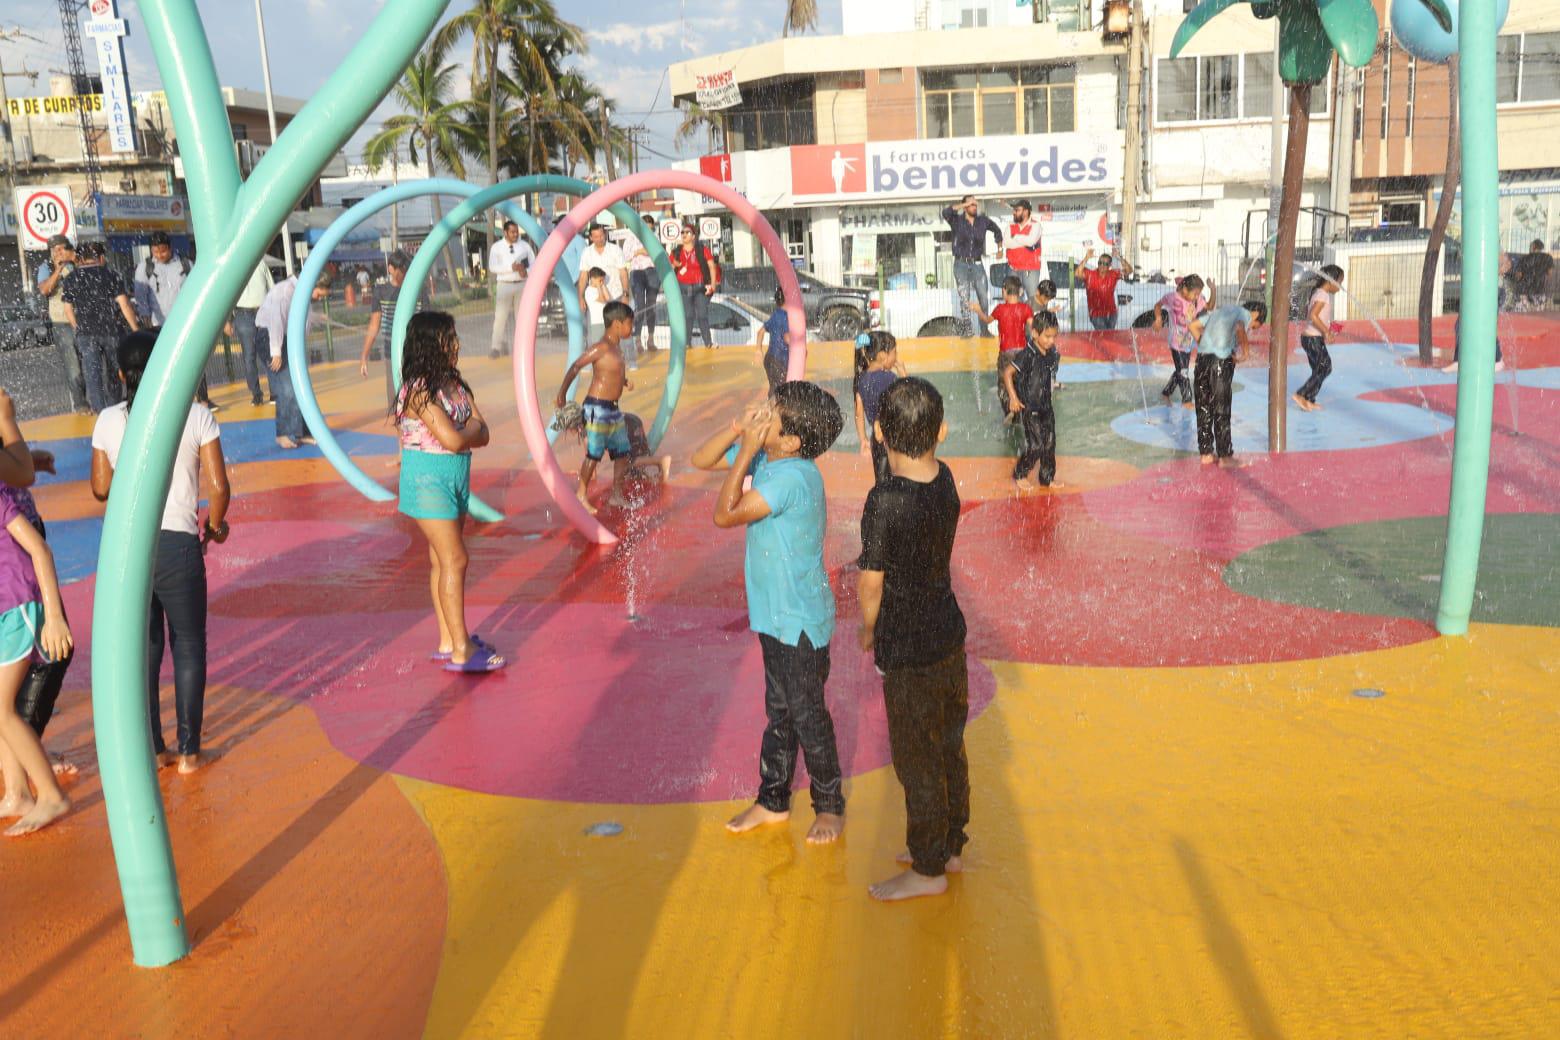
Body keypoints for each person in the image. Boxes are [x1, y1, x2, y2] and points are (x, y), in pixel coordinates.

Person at [691, 381, 846, 845]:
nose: (762, 414)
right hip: (774, 615)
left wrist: (746, 453)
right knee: (779, 711)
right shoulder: (771, 458)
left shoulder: (795, 477)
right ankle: (773, 799)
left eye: (770, 413)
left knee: (807, 714)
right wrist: (739, 429)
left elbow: (725, 514)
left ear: (792, 440)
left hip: (799, 619)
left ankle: (830, 804)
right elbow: (701, 459)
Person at [91, 331, 230, 775]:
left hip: (130, 550)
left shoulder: (109, 420)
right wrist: (214, 525)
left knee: (146, 648)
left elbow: (99, 488)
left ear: (119, 374)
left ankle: (154, 748)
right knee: (188, 645)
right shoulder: (194, 416)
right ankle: (190, 751)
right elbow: (219, 487)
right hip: (177, 544)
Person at [856, 377, 968, 901]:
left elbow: (872, 580)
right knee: (948, 743)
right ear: (941, 432)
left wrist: (866, 628)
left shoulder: (884, 500)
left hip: (906, 646)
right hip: (948, 634)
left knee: (916, 757)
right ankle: (949, 842)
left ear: (879, 432)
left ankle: (927, 870)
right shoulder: (945, 479)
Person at [395, 312, 504, 674]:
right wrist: (469, 430)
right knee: (456, 560)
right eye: (449, 339)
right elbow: (455, 438)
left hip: (455, 478)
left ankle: (448, 639)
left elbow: (484, 433)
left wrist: (469, 431)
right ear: (430, 344)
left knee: (443, 561)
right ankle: (461, 649)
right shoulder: (418, 391)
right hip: (428, 481)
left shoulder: (453, 385)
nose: (456, 344)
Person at [0, 450, 74, 835]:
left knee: (2, 711)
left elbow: (39, 550)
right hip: (3, 611)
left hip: (19, 607)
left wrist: (55, 616)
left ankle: (50, 794)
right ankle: (17, 795)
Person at [554, 300, 635, 514]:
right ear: (617, 324)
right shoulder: (601, 347)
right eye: (629, 323)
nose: (632, 328)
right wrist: (562, 393)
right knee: (594, 454)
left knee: (622, 453)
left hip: (613, 409)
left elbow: (612, 373)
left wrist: (624, 382)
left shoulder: (616, 348)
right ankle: (581, 494)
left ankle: (616, 494)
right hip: (596, 408)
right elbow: (576, 366)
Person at [133, 230, 214, 412]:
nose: (159, 255)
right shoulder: (144, 268)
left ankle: (202, 398)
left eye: (163, 251)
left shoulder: (185, 265)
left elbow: (197, 290)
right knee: (161, 364)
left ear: (170, 248)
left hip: (184, 323)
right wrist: (146, 324)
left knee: (192, 360)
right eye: (155, 251)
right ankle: (166, 401)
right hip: (157, 325)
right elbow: (141, 298)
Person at [256, 264, 334, 448]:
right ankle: (283, 433)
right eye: (319, 294)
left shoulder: (301, 293)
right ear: (313, 284)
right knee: (286, 387)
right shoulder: (284, 291)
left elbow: (301, 316)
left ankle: (300, 432)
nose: (318, 298)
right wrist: (275, 352)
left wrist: (318, 318)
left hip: (285, 339)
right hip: (270, 337)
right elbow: (276, 321)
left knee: (298, 386)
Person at [61, 241, 137, 412]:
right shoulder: (111, 274)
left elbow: (68, 310)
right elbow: (124, 305)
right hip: (111, 331)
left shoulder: (71, 279)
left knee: (92, 373)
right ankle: (115, 407)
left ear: (79, 259)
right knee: (113, 372)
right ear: (101, 257)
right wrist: (135, 329)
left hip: (86, 334)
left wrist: (78, 329)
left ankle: (99, 411)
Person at [1192, 301, 1266, 467]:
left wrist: (1206, 345)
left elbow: (1193, 326)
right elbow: (1240, 327)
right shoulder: (1243, 314)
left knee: (1203, 407)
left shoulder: (1221, 311)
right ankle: (1225, 457)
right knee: (1221, 408)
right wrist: (1245, 352)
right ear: (1256, 315)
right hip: (1220, 362)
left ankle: (1206, 453)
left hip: (1202, 360)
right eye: (1254, 326)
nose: (1251, 328)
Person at [554, 402, 672, 503]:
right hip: (631, 420)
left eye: (567, 428)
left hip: (628, 427)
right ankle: (654, 470)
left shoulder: (588, 430)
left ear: (574, 425)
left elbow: (591, 461)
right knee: (631, 473)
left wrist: (583, 477)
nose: (567, 431)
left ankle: (661, 461)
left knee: (624, 463)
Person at [359, 250, 431, 408]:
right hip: (391, 351)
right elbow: (374, 324)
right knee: (395, 399)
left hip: (415, 351)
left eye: (405, 269)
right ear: (390, 268)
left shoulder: (418, 290)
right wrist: (364, 355)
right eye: (400, 269)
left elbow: (427, 322)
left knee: (419, 397)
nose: (403, 273)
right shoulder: (381, 291)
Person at [1006, 310, 1064, 491]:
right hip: (1030, 408)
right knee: (1037, 445)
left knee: (1049, 444)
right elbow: (1007, 373)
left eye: (1054, 336)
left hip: (1046, 406)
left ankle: (1046, 478)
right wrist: (1013, 398)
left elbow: (1050, 373)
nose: (1051, 341)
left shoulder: (1051, 352)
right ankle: (1020, 473)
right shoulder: (1027, 354)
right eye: (1047, 336)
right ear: (1035, 333)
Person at [35, 235, 89, 413]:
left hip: (85, 319)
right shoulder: (46, 267)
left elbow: (93, 277)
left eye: (61, 249)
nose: (58, 253)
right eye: (54, 250)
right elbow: (44, 289)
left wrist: (74, 259)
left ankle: (96, 397)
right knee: (73, 364)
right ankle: (80, 403)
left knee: (91, 361)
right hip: (61, 322)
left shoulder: (78, 262)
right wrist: (57, 271)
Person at [967, 275, 1033, 417]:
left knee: (1004, 384)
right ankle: (1022, 406)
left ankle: (1009, 410)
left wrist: (978, 310)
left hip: (1006, 353)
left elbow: (986, 320)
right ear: (1019, 292)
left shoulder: (1000, 309)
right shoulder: (1025, 308)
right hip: (1022, 352)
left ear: (1004, 291)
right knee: (1019, 380)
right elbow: (1033, 328)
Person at [941, 195, 1002, 337]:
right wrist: (964, 204)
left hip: (977, 264)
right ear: (965, 206)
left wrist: (1000, 249)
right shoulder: (956, 220)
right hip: (960, 264)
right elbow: (946, 212)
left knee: (983, 298)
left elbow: (997, 230)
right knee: (964, 298)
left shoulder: (983, 221)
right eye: (971, 204)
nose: (974, 206)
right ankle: (967, 331)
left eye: (975, 204)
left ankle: (984, 330)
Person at [1154, 274, 1209, 409]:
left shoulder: (1197, 300)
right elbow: (1158, 305)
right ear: (1184, 289)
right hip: (1176, 342)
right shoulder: (1172, 298)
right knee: (1183, 371)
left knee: (1180, 369)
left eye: (1199, 294)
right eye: (1195, 294)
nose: (1197, 297)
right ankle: (1187, 400)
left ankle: (1166, 393)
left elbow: (1208, 306)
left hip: (1188, 342)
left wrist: (1213, 290)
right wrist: (1158, 318)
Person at [854, 331, 901, 485]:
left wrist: (863, 440)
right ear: (882, 356)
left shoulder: (861, 379)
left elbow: (858, 412)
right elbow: (908, 401)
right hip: (894, 438)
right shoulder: (890, 378)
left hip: (876, 439)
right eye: (894, 352)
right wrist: (905, 377)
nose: (896, 357)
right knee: (899, 480)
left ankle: (882, 504)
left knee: (882, 480)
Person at [1293, 264, 1342, 412]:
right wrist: (1326, 332)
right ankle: (1301, 394)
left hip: (1311, 338)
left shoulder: (1318, 292)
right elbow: (1313, 316)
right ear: (1331, 280)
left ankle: (1308, 400)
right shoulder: (1323, 295)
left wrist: (1328, 329)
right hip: (1313, 339)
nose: (1340, 286)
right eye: (1339, 282)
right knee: (1325, 367)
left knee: (1318, 370)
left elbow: (1317, 317)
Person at [226, 260, 275, 406]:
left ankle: (274, 392)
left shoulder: (261, 264)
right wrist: (227, 320)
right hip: (242, 313)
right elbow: (226, 295)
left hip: (263, 311)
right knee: (249, 357)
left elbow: (272, 288)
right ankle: (256, 394)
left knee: (270, 354)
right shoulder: (232, 267)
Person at [488, 221, 534, 359]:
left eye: (516, 231)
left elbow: (535, 262)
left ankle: (521, 347)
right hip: (504, 284)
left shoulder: (525, 246)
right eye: (512, 232)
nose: (515, 234)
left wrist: (526, 271)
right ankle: (496, 347)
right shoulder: (496, 247)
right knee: (500, 317)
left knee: (521, 317)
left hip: (522, 283)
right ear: (505, 232)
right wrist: (511, 268)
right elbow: (492, 267)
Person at [672, 225, 721, 348]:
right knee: (688, 316)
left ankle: (708, 343)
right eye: (682, 232)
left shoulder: (702, 249)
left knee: (702, 315)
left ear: (693, 236)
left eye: (687, 232)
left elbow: (711, 267)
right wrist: (674, 265)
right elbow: (669, 270)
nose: (684, 234)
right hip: (683, 287)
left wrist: (713, 284)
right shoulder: (676, 251)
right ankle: (687, 343)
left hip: (700, 287)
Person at [624, 214, 661, 353]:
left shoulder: (655, 238)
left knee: (651, 306)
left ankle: (651, 339)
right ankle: (637, 339)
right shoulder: (630, 238)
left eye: (650, 228)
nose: (648, 230)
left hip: (652, 271)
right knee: (640, 305)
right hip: (637, 272)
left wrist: (648, 251)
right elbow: (626, 256)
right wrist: (639, 251)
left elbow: (658, 254)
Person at [1076, 247, 1134, 331]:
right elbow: (1077, 273)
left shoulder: (1113, 274)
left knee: (1109, 337)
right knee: (1103, 335)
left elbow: (1129, 270)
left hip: (1111, 313)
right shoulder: (1090, 275)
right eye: (1100, 263)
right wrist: (1086, 258)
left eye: (1105, 264)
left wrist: (1119, 257)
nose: (1102, 265)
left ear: (1110, 265)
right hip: (1096, 314)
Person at [1006, 200, 1044, 303]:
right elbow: (1007, 243)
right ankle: (1019, 319)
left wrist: (1015, 237)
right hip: (1013, 268)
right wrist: (1024, 242)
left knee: (1033, 300)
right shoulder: (1010, 225)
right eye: (1014, 210)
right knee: (1014, 301)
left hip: (1030, 269)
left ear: (1026, 212)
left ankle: (1035, 319)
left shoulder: (1036, 225)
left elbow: (1031, 241)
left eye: (1017, 210)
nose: (1014, 212)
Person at [755, 288, 792, 392]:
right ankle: (774, 407)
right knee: (781, 391)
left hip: (770, 359)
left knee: (774, 388)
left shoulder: (775, 314)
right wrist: (799, 348)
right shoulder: (786, 316)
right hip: (779, 360)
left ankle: (771, 406)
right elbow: (787, 338)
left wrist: (758, 350)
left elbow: (760, 332)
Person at [1511, 239, 1553, 310]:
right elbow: (1549, 273)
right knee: (1537, 315)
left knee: (1522, 313)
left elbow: (1519, 275)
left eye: (1530, 246)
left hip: (1524, 290)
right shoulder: (1548, 258)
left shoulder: (1525, 258)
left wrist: (1514, 280)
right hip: (1539, 289)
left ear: (1533, 246)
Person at [582, 267, 613, 350]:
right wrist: (599, 287)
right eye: (600, 280)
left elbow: (608, 298)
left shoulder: (600, 288)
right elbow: (602, 299)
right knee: (598, 345)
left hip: (605, 322)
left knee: (607, 345)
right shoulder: (589, 291)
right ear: (592, 279)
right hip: (597, 323)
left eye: (602, 280)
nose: (601, 282)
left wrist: (602, 285)